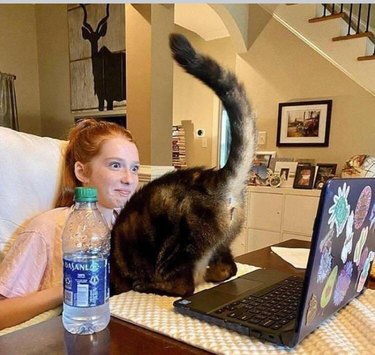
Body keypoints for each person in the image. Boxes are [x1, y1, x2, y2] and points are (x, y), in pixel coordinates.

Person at [0, 119, 140, 330]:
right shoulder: (48, 228)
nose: (129, 179)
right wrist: (68, 287)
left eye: (135, 168)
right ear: (82, 172)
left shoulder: (128, 224)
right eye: (115, 165)